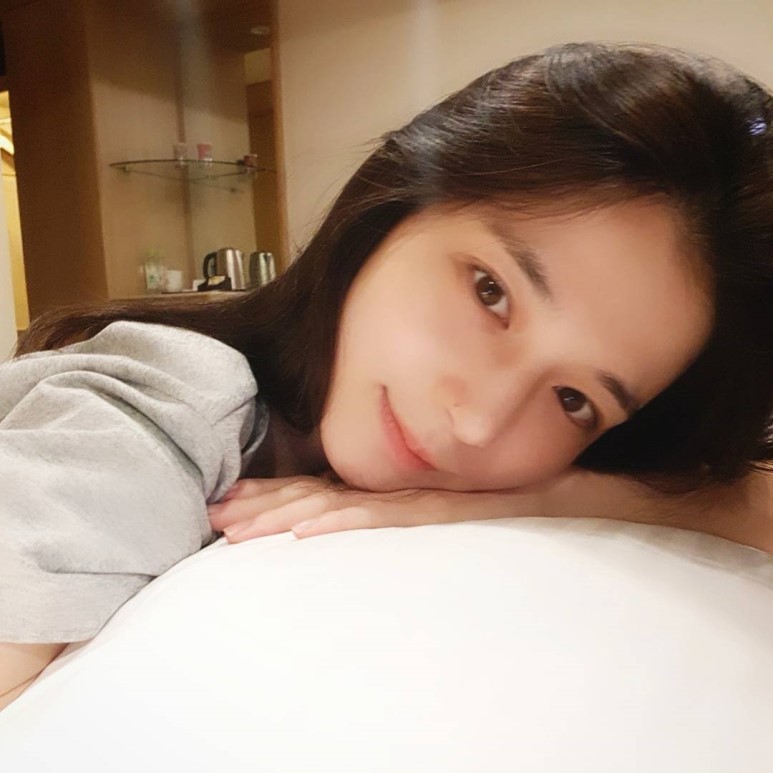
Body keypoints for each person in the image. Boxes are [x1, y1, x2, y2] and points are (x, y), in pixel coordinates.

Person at [1, 42, 771, 709]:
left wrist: (545, 495)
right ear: (396, 202)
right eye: (490, 291)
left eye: (574, 399)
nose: (478, 421)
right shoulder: (170, 402)